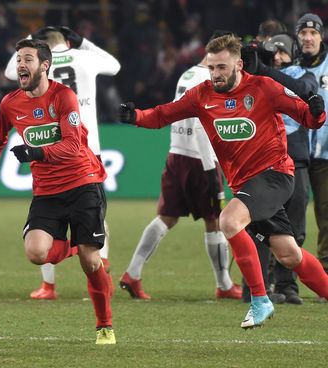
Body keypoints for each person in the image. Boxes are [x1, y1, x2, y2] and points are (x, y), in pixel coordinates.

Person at [119, 34, 328, 329]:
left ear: (239, 65)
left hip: (275, 174)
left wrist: (317, 112)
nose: (215, 74)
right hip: (245, 186)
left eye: (222, 68)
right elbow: (165, 114)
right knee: (289, 253)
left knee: (228, 220)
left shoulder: (264, 88)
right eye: (212, 67)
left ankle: (259, 300)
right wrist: (136, 116)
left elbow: (307, 118)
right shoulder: (201, 94)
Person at [0, 39, 115, 345]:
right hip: (47, 191)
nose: (20, 65)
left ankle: (104, 324)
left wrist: (37, 153)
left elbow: (73, 145)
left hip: (83, 183)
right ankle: (78, 244)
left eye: (27, 59)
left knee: (92, 264)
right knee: (37, 253)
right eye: (18, 59)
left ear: (44, 65)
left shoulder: (64, 97)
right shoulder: (10, 102)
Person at [4, 26, 120, 300]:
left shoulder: (36, 65)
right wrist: (84, 42)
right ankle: (102, 269)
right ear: (68, 41)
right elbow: (114, 66)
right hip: (88, 147)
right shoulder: (84, 57)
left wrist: (29, 39)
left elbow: (11, 71)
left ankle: (49, 285)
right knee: (97, 216)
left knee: (46, 220)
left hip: (50, 146)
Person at [119, 52, 242, 301]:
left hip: (177, 153)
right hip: (200, 158)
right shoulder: (210, 79)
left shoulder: (187, 74)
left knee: (167, 217)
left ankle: (133, 273)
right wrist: (210, 170)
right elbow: (200, 124)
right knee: (216, 220)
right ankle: (224, 284)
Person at [244, 30, 319, 304]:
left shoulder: (302, 75)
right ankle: (256, 287)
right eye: (272, 53)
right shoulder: (258, 80)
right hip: (263, 162)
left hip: (295, 159)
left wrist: (264, 69)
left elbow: (304, 91)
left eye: (283, 51)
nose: (277, 58)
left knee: (295, 228)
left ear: (294, 53)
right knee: (259, 227)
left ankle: (287, 286)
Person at [296, 13, 328, 274]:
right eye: (303, 33)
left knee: (326, 215)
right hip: (295, 155)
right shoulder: (291, 67)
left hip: (326, 156)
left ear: (321, 36)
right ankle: (281, 275)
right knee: (291, 216)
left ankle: (325, 273)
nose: (308, 38)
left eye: (313, 33)